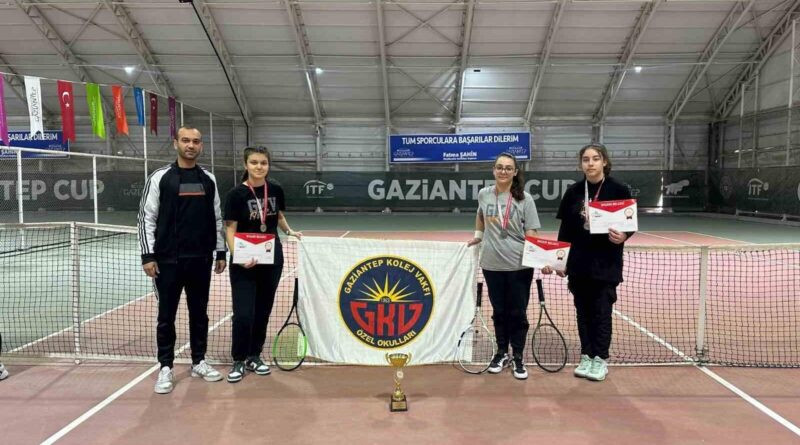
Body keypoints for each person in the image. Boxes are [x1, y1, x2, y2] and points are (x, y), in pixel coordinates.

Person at [138, 125, 227, 394]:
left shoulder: (208, 179)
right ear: (175, 142)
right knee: (166, 316)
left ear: (201, 146)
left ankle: (199, 361)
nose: (191, 145)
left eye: (196, 141)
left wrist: (220, 252)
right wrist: (148, 255)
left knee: (200, 315)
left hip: (200, 260)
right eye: (186, 140)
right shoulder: (160, 177)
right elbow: (146, 217)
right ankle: (165, 366)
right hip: (167, 262)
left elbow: (217, 218)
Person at [543, 143, 634, 382]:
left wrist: (624, 236)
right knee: (582, 313)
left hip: (606, 265)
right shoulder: (573, 192)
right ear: (580, 163)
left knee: (601, 313)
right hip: (579, 265)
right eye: (586, 159)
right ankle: (586, 355)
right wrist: (560, 262)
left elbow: (629, 224)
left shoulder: (618, 189)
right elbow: (564, 232)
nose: (590, 163)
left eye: (595, 158)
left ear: (604, 161)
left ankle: (600, 359)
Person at [223, 146, 302, 383]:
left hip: (272, 258)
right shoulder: (236, 194)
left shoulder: (275, 189)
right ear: (246, 165)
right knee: (244, 313)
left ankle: (254, 355)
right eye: (254, 162)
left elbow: (277, 217)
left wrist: (290, 231)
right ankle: (238, 359)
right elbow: (230, 229)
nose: (259, 167)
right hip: (244, 261)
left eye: (263, 163)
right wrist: (238, 256)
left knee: (263, 311)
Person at [467, 152, 541, 380]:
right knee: (499, 312)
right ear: (493, 170)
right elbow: (480, 215)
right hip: (491, 264)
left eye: (508, 168)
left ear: (515, 172)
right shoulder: (484, 194)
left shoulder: (525, 198)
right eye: (499, 167)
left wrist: (539, 258)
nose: (503, 171)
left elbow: (531, 231)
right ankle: (501, 352)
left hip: (519, 265)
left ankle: (517, 355)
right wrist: (479, 235)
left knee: (517, 313)